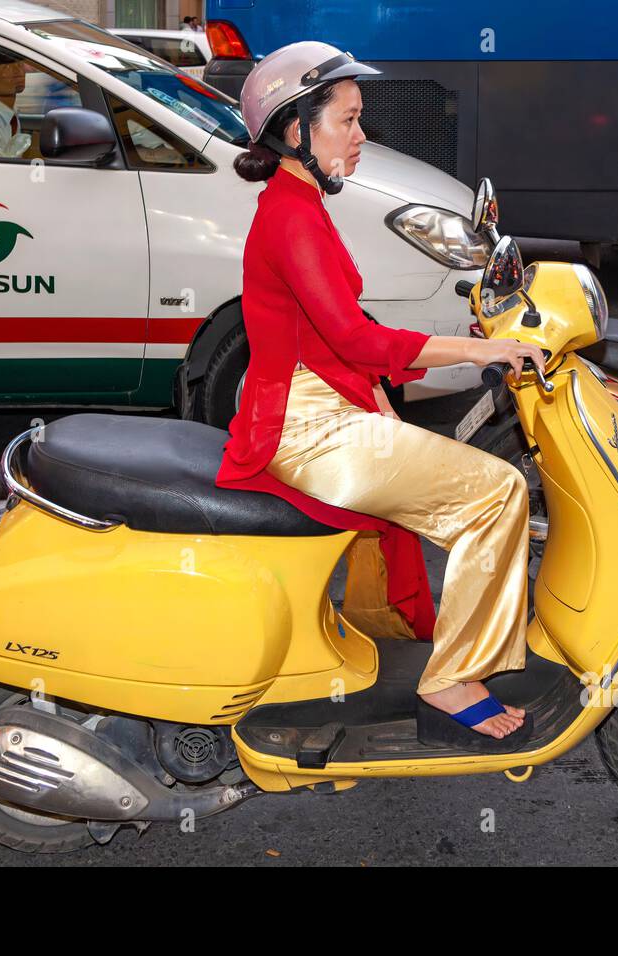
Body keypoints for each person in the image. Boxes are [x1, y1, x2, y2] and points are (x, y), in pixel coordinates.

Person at [216, 42, 545, 747]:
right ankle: (454, 677)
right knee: (498, 493)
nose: (362, 137)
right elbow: (361, 341)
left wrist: (387, 400)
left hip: (322, 408)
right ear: (296, 130)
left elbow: (337, 338)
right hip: (306, 429)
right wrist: (486, 349)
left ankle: (431, 648)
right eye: (349, 120)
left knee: (471, 485)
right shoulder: (291, 216)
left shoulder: (297, 202)